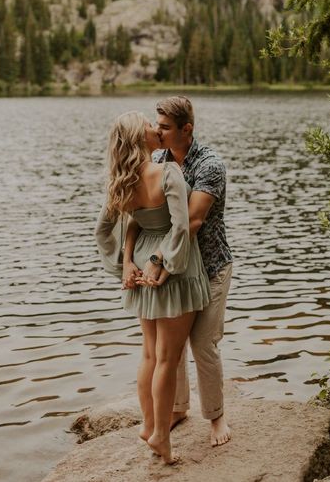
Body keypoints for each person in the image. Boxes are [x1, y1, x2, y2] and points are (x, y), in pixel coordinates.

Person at [95, 111, 210, 465]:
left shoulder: (122, 180)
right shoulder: (167, 171)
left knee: (149, 354)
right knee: (167, 358)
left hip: (141, 265)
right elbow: (179, 226)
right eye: (148, 124)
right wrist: (166, 264)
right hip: (169, 268)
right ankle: (160, 435)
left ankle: (149, 426)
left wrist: (123, 266)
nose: (154, 128)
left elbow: (105, 230)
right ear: (139, 137)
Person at [124, 96, 233, 447]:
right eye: (156, 125)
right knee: (170, 347)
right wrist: (133, 261)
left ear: (187, 129)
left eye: (165, 127)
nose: (157, 131)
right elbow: (140, 217)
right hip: (176, 271)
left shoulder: (209, 164)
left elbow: (194, 220)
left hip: (210, 265)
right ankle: (177, 409)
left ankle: (215, 417)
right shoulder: (157, 159)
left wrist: (158, 262)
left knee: (202, 343)